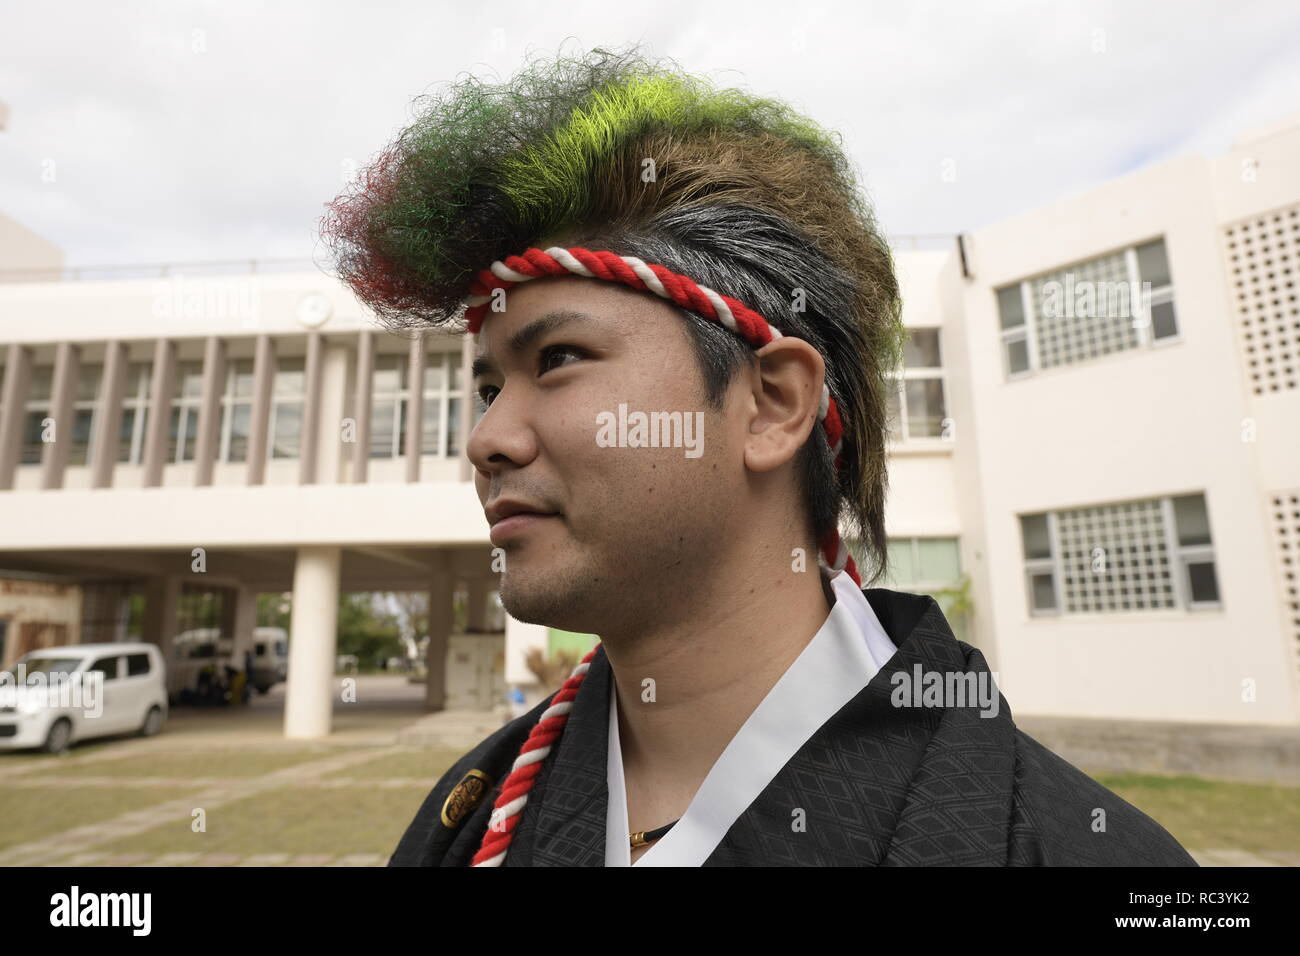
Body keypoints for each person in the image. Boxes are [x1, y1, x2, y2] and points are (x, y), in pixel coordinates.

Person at [322, 44, 1196, 867]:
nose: (486, 440)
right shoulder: (471, 826)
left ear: (773, 405)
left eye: (558, 360)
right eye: (487, 389)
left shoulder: (1068, 848)